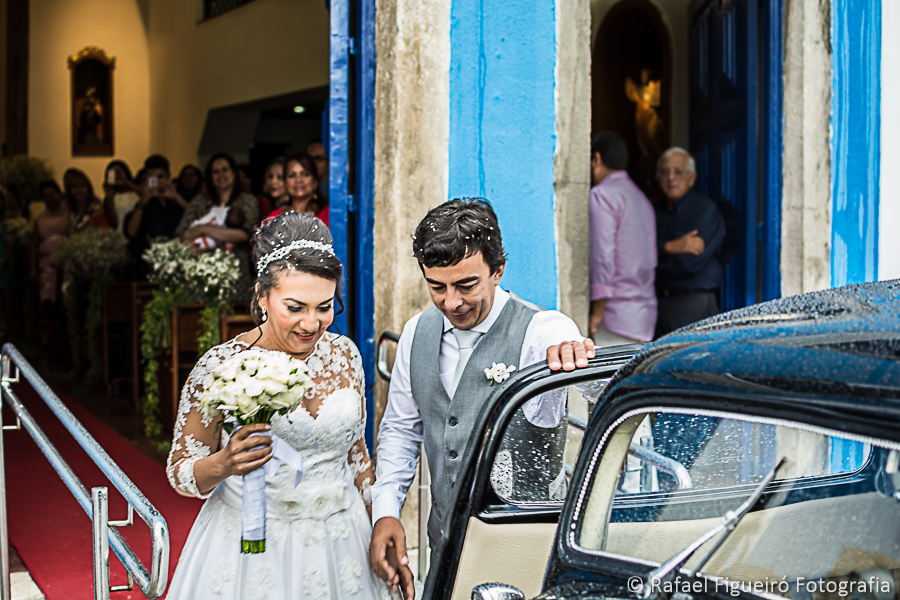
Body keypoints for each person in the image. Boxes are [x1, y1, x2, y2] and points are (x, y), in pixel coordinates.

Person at [369, 199, 595, 597]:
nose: (451, 302)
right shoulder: (414, 333)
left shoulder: (541, 329)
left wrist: (572, 349)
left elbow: (591, 376)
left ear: (498, 271)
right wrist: (386, 511)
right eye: (436, 286)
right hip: (446, 546)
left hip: (524, 553)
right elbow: (401, 431)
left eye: (466, 285)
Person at [165, 212, 397, 599]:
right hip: (253, 549)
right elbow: (181, 473)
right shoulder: (221, 366)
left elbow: (357, 454)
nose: (312, 323)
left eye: (325, 307)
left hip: (343, 541)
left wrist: (379, 524)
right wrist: (225, 464)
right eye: (295, 307)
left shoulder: (345, 354)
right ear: (261, 297)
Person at [588, 131, 657, 345]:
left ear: (596, 159)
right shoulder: (641, 198)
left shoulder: (603, 195)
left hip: (615, 317)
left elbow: (603, 257)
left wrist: (597, 312)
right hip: (644, 317)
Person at [653, 147, 725, 337]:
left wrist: (653, 261)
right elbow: (636, 255)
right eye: (665, 172)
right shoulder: (652, 211)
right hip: (657, 305)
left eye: (678, 172)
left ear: (692, 177)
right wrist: (671, 247)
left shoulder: (705, 211)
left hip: (693, 304)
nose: (671, 178)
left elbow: (688, 264)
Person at [176, 153, 259, 295]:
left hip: (234, 276)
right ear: (210, 177)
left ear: (234, 173)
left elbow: (242, 235)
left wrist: (203, 229)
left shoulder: (247, 201)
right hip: (199, 276)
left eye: (225, 169)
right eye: (215, 171)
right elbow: (182, 236)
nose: (221, 174)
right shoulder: (198, 203)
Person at [124, 155, 188, 277]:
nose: (157, 182)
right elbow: (131, 232)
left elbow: (198, 216)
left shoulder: (181, 197)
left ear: (168, 176)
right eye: (152, 178)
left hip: (181, 255)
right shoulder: (145, 204)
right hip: (154, 260)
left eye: (160, 177)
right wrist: (144, 200)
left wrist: (176, 197)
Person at [31, 181, 69, 345]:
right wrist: (33, 269)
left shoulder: (69, 213)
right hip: (45, 268)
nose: (49, 198)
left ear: (59, 193)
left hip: (65, 266)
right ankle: (53, 344)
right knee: (48, 306)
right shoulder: (40, 219)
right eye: (45, 196)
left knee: (64, 305)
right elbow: (34, 243)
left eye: (52, 194)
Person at [267, 153, 328, 226]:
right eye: (292, 175)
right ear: (285, 183)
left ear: (315, 182)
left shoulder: (329, 214)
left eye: (305, 174)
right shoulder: (275, 216)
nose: (298, 180)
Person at [101, 160, 139, 232]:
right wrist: (109, 196)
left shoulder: (136, 193)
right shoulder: (109, 198)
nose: (117, 175)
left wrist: (127, 182)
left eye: (119, 172)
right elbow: (112, 224)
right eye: (113, 173)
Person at [257, 157, 287, 225]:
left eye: (280, 177)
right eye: (270, 176)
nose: (273, 181)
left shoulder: (286, 212)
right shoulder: (276, 208)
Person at [306, 139, 329, 208]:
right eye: (309, 159)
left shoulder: (333, 191)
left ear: (329, 163)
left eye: (318, 158)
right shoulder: (302, 188)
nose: (313, 162)